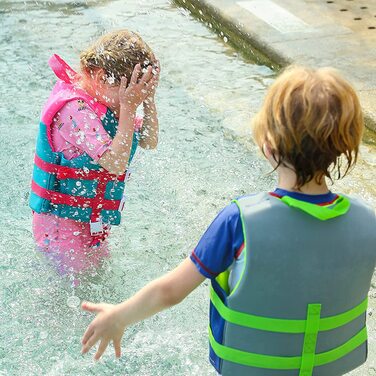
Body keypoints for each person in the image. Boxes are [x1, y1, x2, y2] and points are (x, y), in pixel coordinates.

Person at [80, 66, 375, 376]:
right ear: (346, 144)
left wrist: (118, 317)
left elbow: (171, 292)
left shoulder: (240, 222)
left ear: (268, 146)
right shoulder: (366, 221)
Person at [30, 29, 160, 279]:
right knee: (74, 288)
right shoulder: (75, 110)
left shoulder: (111, 101)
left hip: (92, 221)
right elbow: (116, 163)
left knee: (99, 283)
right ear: (100, 76)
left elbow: (149, 141)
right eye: (126, 93)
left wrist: (148, 100)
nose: (127, 100)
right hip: (60, 224)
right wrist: (130, 106)